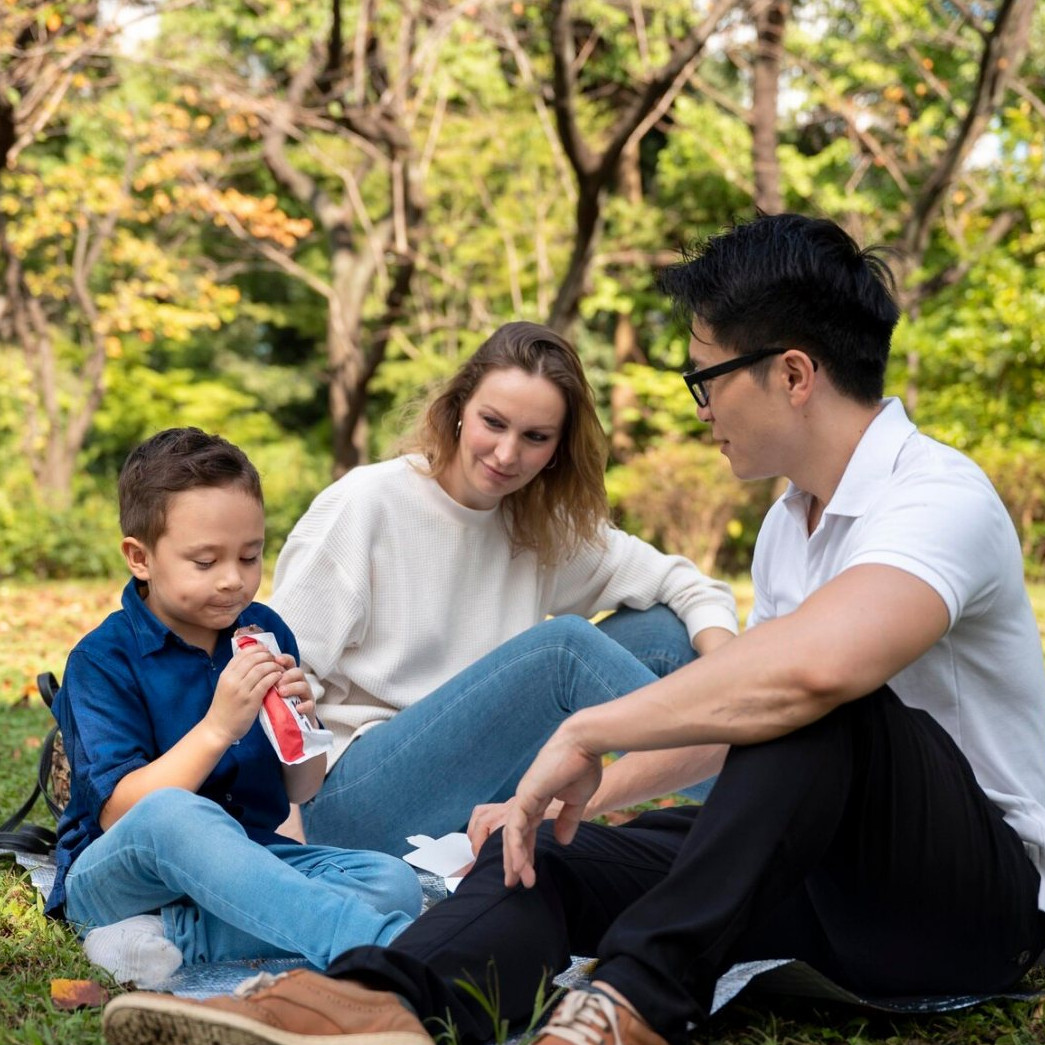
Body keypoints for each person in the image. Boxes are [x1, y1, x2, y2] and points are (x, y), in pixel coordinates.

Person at [102, 213, 1045, 1045]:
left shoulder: (936, 499)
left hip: (965, 903)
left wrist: (587, 731)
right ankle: (381, 1002)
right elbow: (740, 725)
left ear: (791, 374)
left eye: (704, 377)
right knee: (538, 849)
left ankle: (630, 1002)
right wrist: (564, 800)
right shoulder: (788, 524)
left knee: (820, 696)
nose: (700, 407)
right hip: (812, 881)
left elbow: (811, 680)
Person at [266, 320, 738, 855]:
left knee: (662, 631)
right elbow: (273, 675)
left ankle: (759, 766)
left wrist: (728, 671)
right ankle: (768, 778)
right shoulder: (366, 503)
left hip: (480, 784)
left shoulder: (537, 525)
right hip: (353, 800)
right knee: (563, 651)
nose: (507, 454)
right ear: (459, 408)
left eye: (535, 437)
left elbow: (687, 584)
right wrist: (286, 836)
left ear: (557, 449)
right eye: (493, 423)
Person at [48, 428, 422, 988]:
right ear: (140, 558)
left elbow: (302, 789)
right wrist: (218, 727)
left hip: (244, 861)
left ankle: (171, 936)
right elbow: (122, 814)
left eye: (250, 556)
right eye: (205, 562)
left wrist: (303, 723)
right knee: (176, 813)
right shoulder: (103, 660)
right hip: (119, 876)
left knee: (392, 882)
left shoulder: (265, 631)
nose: (233, 580)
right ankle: (388, 947)